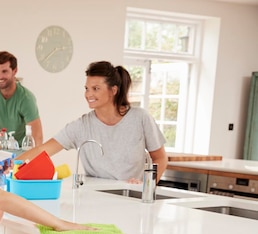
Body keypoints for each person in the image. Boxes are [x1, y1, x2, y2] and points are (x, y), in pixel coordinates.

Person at [18, 61, 168, 182]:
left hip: (132, 195)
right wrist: (8, 165)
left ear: (113, 90)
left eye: (96, 88)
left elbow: (160, 158)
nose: (88, 94)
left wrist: (146, 185)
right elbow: (42, 151)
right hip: (95, 196)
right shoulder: (81, 126)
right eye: (87, 88)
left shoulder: (140, 118)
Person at [0, 51, 44, 148]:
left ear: (14, 71)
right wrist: (0, 146)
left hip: (24, 149)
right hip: (4, 147)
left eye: (4, 71)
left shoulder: (26, 98)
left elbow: (37, 138)